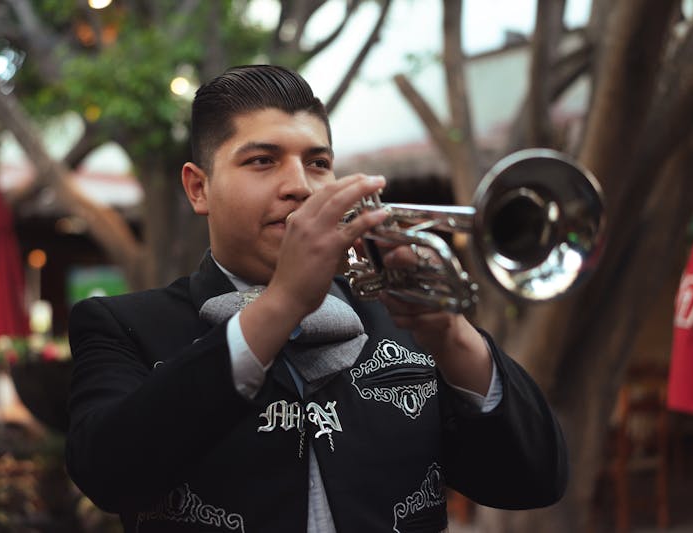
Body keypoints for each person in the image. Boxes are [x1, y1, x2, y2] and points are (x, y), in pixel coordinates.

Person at [66, 65, 568, 533]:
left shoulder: (402, 319)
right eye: (263, 161)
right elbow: (110, 476)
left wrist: (453, 335)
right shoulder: (121, 325)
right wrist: (283, 303)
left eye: (318, 163)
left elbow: (533, 480)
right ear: (199, 188)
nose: (300, 187)